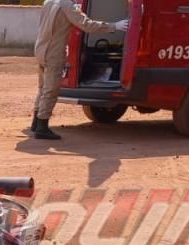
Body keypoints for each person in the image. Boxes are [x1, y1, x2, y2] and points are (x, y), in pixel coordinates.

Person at [31, 1, 128, 140]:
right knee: (50, 90)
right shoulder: (67, 6)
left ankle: (36, 123)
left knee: (42, 88)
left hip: (40, 49)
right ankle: (42, 127)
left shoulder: (49, 1)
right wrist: (114, 26)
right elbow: (87, 25)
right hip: (54, 52)